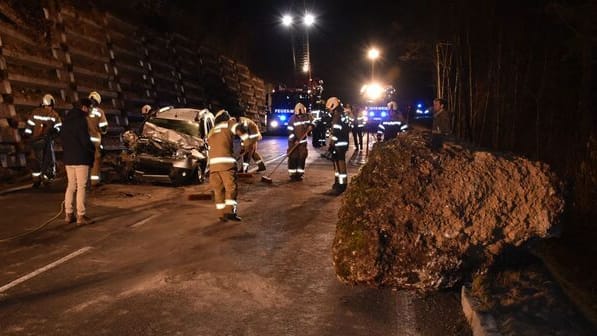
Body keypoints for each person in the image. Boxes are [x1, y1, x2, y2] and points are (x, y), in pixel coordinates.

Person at [61, 98, 95, 225]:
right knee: (81, 186)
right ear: (84, 108)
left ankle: (68, 214)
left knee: (71, 186)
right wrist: (92, 149)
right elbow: (85, 141)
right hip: (81, 158)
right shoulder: (81, 121)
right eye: (89, 108)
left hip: (68, 159)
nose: (90, 110)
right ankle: (81, 215)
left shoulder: (66, 120)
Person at [207, 110, 242, 222]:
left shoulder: (212, 131)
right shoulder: (229, 124)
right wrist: (246, 143)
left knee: (218, 191)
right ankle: (230, 212)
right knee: (231, 189)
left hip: (213, 167)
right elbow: (241, 130)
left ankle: (221, 214)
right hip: (226, 165)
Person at [24, 94, 62, 187]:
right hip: (39, 141)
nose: (49, 108)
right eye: (49, 106)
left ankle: (43, 179)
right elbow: (29, 125)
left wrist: (55, 131)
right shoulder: (52, 114)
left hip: (42, 141)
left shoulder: (41, 113)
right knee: (39, 161)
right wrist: (27, 134)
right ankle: (39, 179)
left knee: (41, 160)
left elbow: (59, 127)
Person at [327, 97, 350, 194]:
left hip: (339, 144)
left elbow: (335, 132)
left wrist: (332, 144)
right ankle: (338, 183)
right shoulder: (342, 114)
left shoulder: (337, 116)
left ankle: (341, 185)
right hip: (343, 143)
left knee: (339, 165)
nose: (329, 110)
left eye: (329, 108)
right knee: (338, 165)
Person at [287, 103, 314, 181]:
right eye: (299, 115)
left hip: (303, 142)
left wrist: (311, 125)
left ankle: (299, 174)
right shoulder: (292, 119)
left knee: (302, 157)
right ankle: (292, 174)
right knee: (293, 157)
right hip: (293, 143)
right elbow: (290, 132)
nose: (300, 116)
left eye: (301, 115)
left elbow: (314, 121)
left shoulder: (307, 117)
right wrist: (294, 140)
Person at [87, 91, 108, 185]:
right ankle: (94, 181)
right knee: (96, 160)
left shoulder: (84, 110)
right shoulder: (99, 112)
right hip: (95, 141)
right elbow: (104, 128)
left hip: (83, 140)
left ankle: (83, 181)